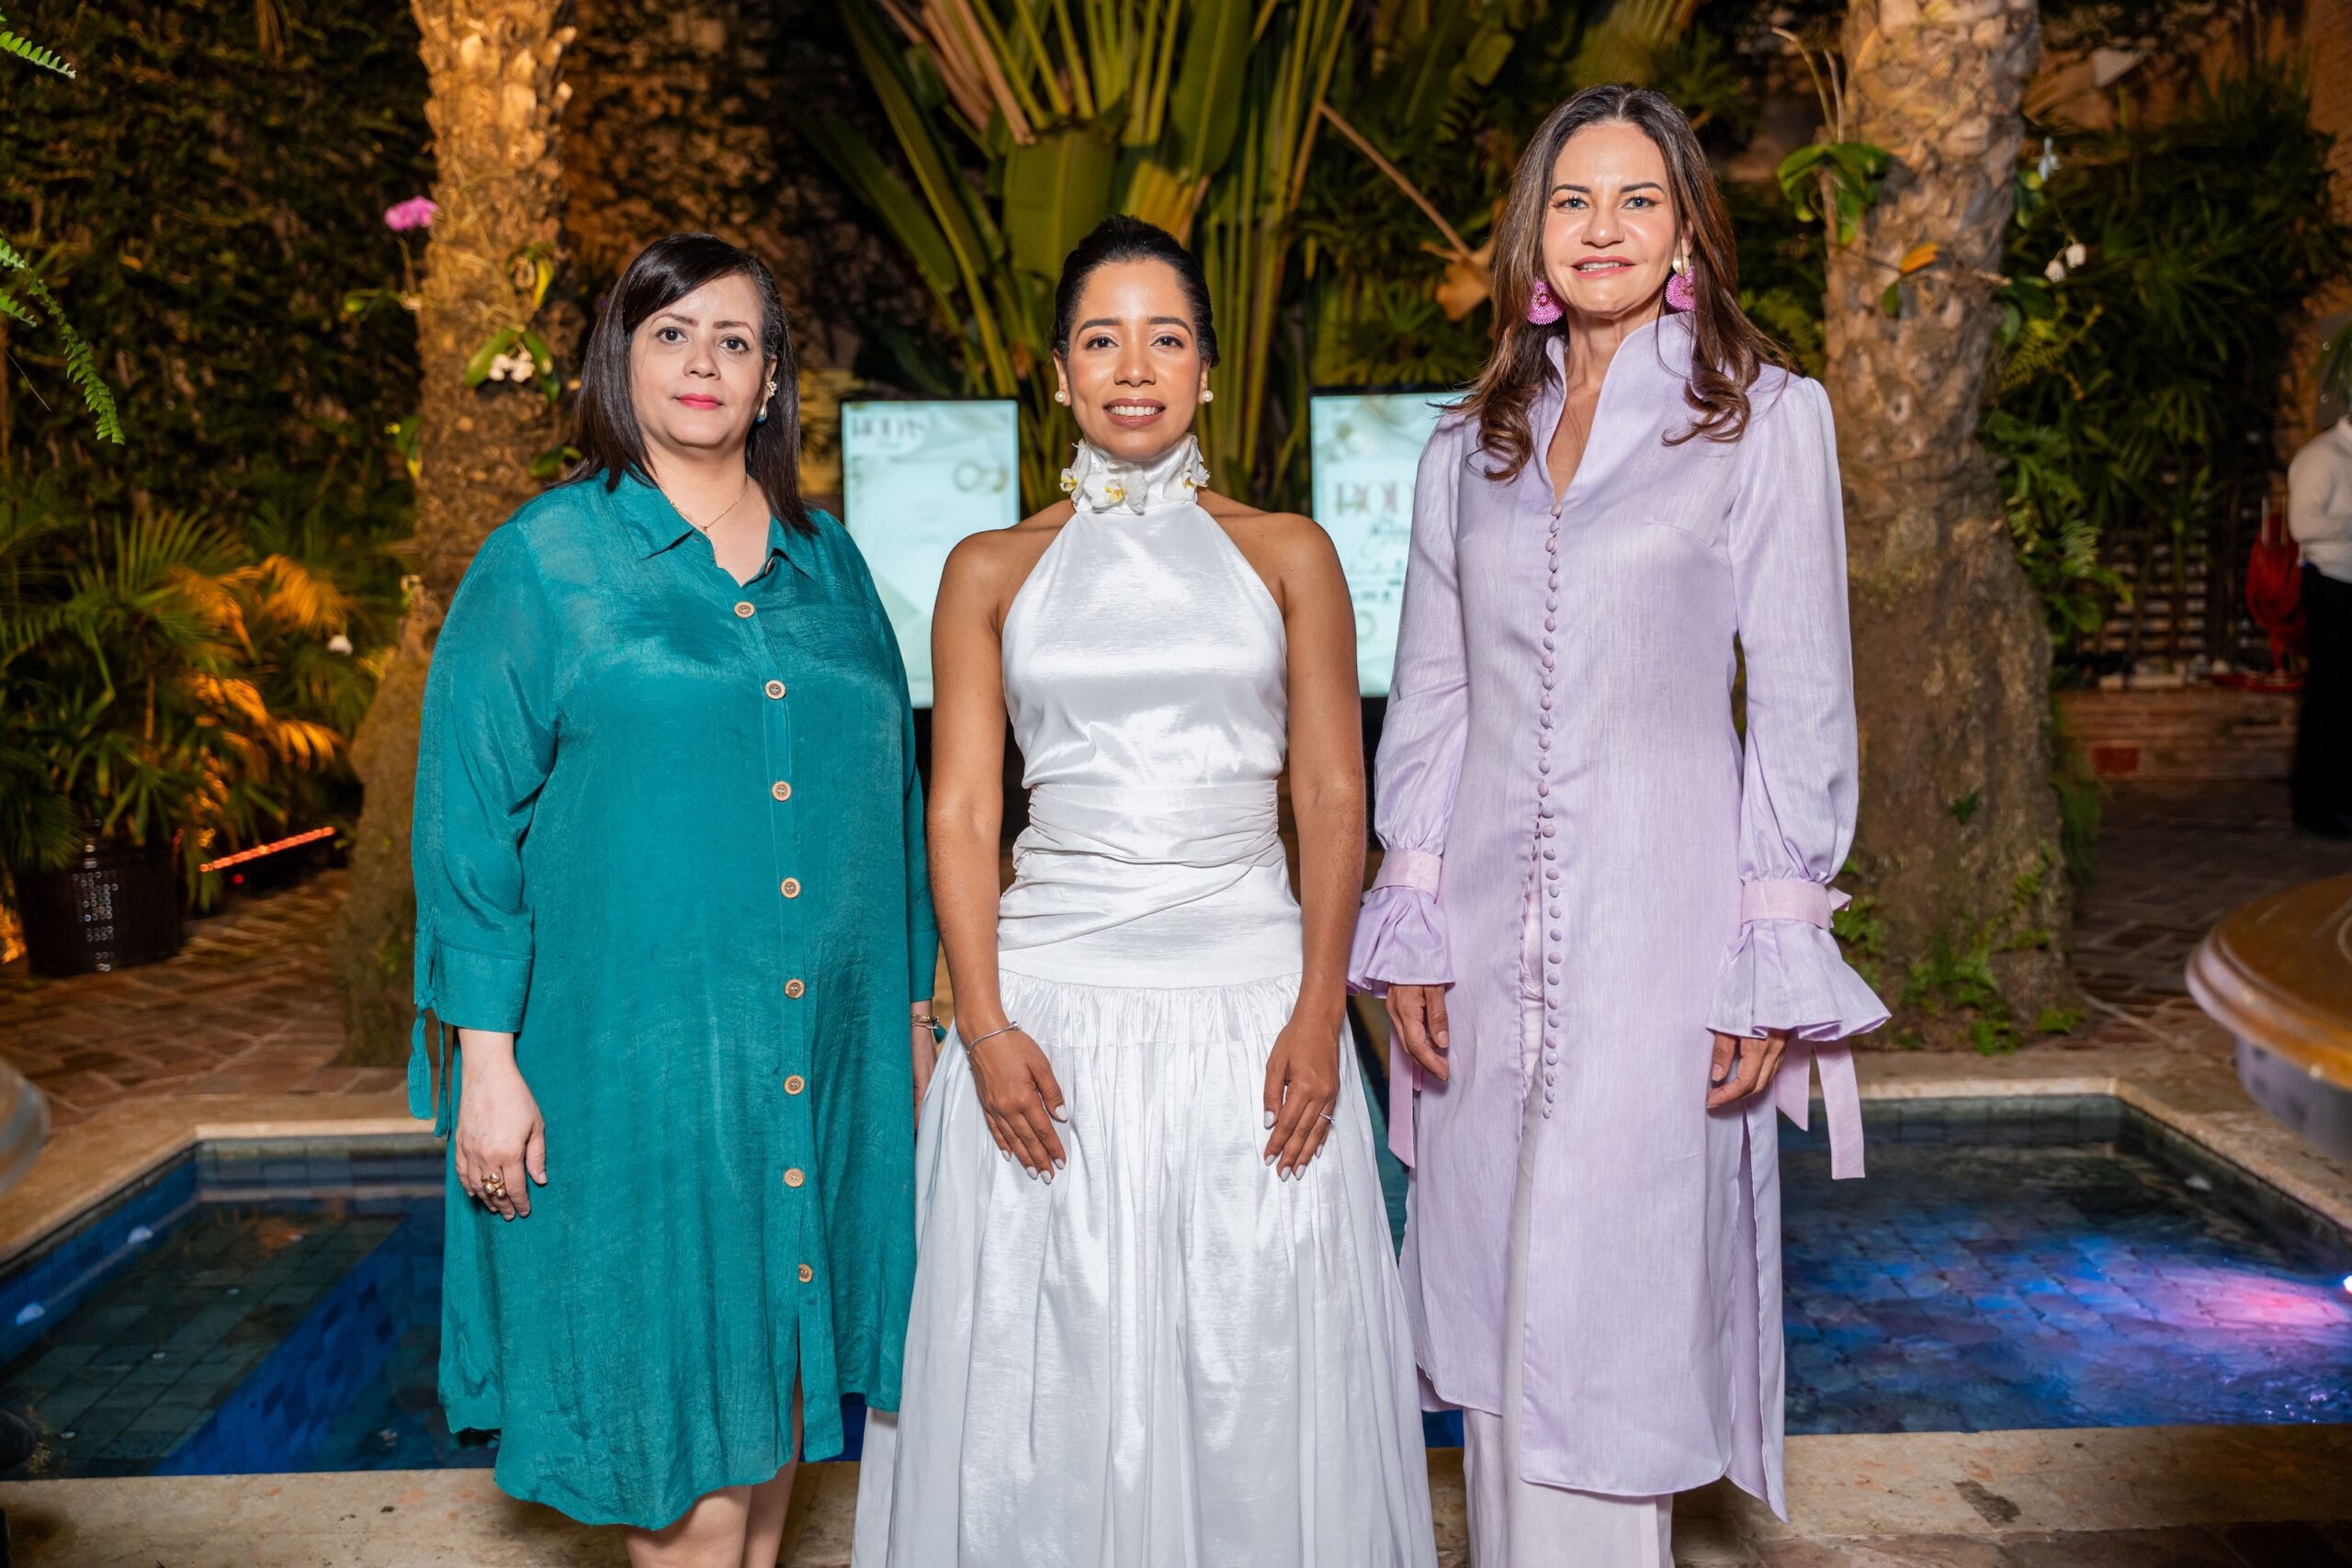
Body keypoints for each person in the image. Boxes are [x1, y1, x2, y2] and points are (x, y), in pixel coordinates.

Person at [1351, 86, 1888, 1566]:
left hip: (1667, 934)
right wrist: (1413, 918)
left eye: (1638, 199)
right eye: (1574, 200)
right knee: (1497, 1296)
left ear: (1686, 229)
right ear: (1533, 232)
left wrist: (1771, 946)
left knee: (1620, 1298)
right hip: (1480, 943)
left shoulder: (1763, 419)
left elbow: (1802, 696)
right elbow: (1436, 694)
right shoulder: (1466, 444)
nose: (1603, 229)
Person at [854, 216, 1435, 1568]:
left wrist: (1319, 1014)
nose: (1132, 367)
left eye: (1164, 337)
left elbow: (1331, 795)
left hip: (1252, 1009)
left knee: (1257, 1362)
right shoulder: (988, 569)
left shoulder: (1289, 552)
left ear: (1207, 371)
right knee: (1042, 1376)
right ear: (1058, 371)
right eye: (1101, 339)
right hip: (1047, 1013)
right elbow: (964, 811)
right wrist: (984, 1026)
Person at [411, 232, 938, 1566]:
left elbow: (893, 804)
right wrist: (487, 1063)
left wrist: (912, 1024)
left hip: (815, 1065)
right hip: (635, 1082)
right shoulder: (545, 558)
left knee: (770, 1439)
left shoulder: (831, 562)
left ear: (771, 381)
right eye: (672, 332)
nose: (704, 361)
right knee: (688, 1480)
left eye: (735, 339)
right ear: (622, 358)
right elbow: (466, 824)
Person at [2288, 413, 2352, 837]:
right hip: (2331, 587)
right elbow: (2302, 524)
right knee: (2329, 696)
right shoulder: (2322, 455)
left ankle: (2341, 799)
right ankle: (2315, 810)